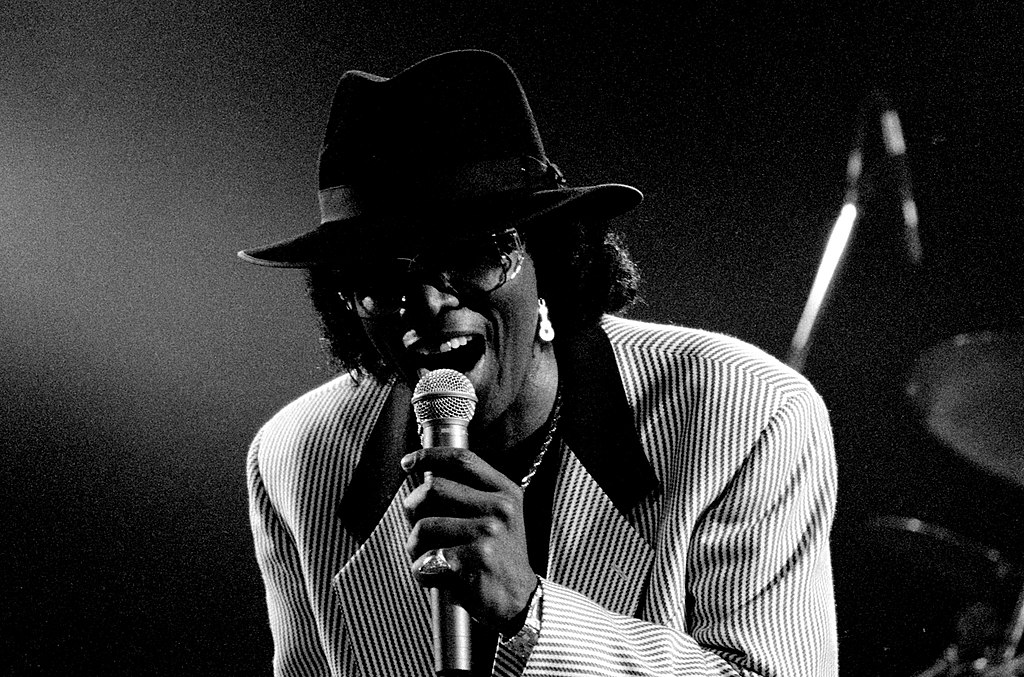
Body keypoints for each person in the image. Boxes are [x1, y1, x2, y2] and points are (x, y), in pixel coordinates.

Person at [239, 49, 838, 676]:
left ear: (548, 260)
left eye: (471, 254)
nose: (429, 302)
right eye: (380, 278)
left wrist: (531, 613)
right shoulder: (296, 459)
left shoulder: (746, 411)